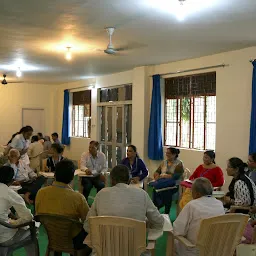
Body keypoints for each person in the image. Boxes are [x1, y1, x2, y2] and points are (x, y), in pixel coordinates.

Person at [84, 164, 164, 253]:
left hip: (104, 251)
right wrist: (146, 226)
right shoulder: (142, 194)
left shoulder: (101, 194)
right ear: (129, 180)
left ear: (112, 180)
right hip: (135, 252)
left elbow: (88, 225)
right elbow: (158, 221)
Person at [35, 160, 91, 254]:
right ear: (72, 177)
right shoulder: (77, 198)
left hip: (52, 235)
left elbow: (38, 214)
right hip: (72, 239)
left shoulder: (41, 193)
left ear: (55, 174)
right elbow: (88, 220)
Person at [173, 177, 225, 256]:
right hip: (216, 250)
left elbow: (178, 230)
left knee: (175, 240)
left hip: (194, 250)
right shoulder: (219, 204)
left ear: (197, 193)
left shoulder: (192, 205)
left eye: (192, 191)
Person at [0, 166, 34, 255]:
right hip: (4, 237)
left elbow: (2, 208)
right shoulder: (9, 192)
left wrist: (14, 219)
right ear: (12, 181)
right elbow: (28, 217)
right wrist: (17, 222)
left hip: (2, 228)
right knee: (33, 230)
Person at [150, 147, 184, 214]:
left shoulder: (179, 164)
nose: (167, 155)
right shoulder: (164, 162)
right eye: (166, 153)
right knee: (158, 190)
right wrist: (156, 176)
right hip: (162, 183)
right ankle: (158, 207)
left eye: (169, 153)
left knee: (165, 191)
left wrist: (168, 176)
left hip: (174, 185)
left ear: (174, 155)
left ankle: (163, 210)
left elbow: (176, 176)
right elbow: (157, 171)